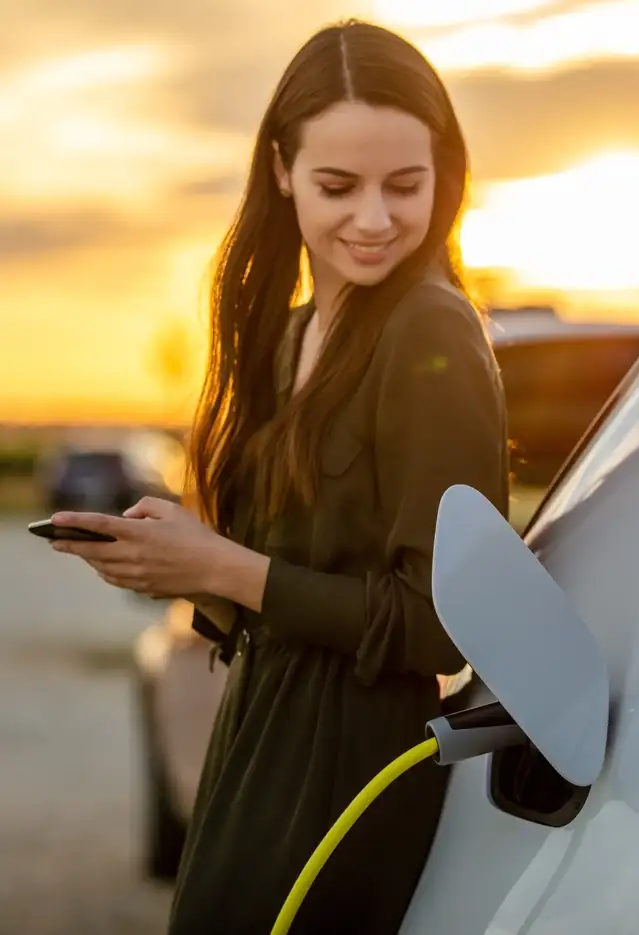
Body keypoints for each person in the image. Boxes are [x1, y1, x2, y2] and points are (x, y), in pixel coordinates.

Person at [49, 19, 509, 935]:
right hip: (255, 736)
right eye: (339, 186)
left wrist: (220, 569)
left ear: (443, 178)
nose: (374, 219)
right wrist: (174, 562)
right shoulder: (285, 337)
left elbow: (440, 627)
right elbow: (276, 580)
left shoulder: (431, 332)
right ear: (280, 170)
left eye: (405, 186)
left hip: (353, 769)